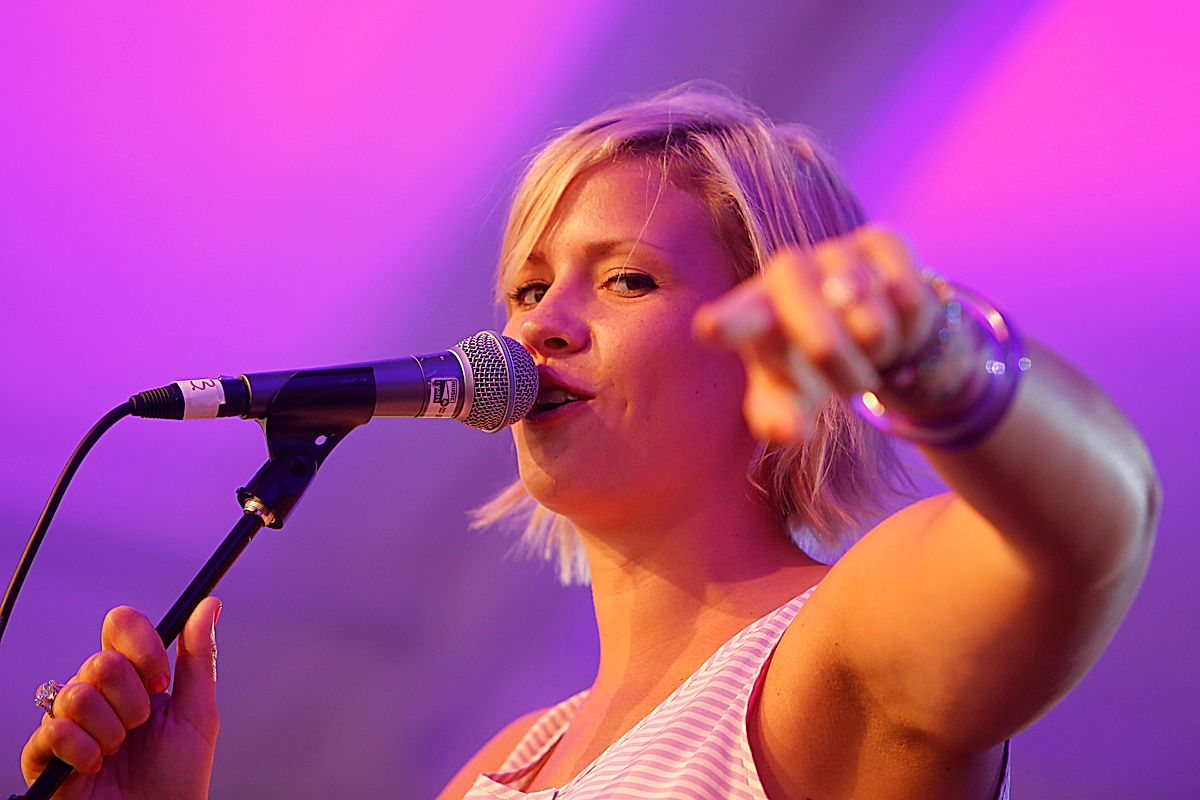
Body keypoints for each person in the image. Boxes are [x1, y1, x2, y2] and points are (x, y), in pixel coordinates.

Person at [22, 84, 1159, 799]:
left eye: (625, 278)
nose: (539, 322)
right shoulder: (509, 764)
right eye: (526, 286)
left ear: (769, 341)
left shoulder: (831, 648)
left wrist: (937, 352)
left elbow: (1095, 532)